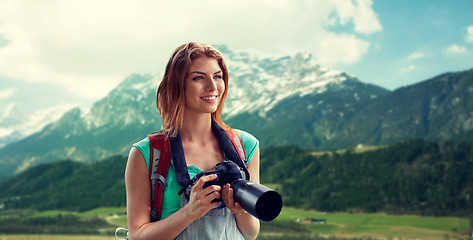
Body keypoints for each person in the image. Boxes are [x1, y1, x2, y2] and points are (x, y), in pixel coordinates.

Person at [125, 42, 260, 240]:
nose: (212, 87)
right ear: (177, 85)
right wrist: (189, 212)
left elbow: (250, 233)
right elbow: (137, 236)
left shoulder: (245, 146)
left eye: (218, 76)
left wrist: (241, 210)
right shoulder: (148, 153)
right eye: (198, 78)